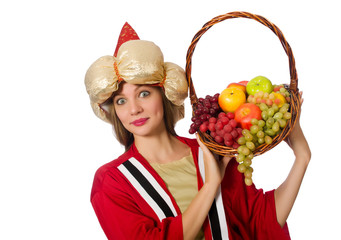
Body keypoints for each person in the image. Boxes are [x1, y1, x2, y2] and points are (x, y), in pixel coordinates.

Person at [85, 23, 311, 240]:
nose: (134, 109)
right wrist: (211, 184)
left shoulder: (212, 151)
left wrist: (302, 157)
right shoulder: (112, 181)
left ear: (164, 95)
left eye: (144, 93)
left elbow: (261, 222)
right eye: (121, 101)